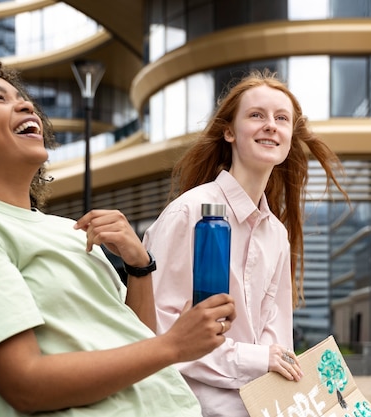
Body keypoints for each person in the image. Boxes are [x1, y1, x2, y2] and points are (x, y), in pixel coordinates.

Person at [0, 44, 236, 417]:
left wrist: (139, 266)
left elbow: (132, 340)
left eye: (24, 98)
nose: (26, 105)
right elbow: (25, 384)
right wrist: (175, 346)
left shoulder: (71, 230)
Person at [143, 69, 348, 416]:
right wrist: (257, 359)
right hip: (188, 406)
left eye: (281, 118)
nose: (271, 125)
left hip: (257, 407)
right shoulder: (189, 213)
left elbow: (276, 342)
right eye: (257, 115)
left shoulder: (277, 235)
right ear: (229, 132)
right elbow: (157, 332)